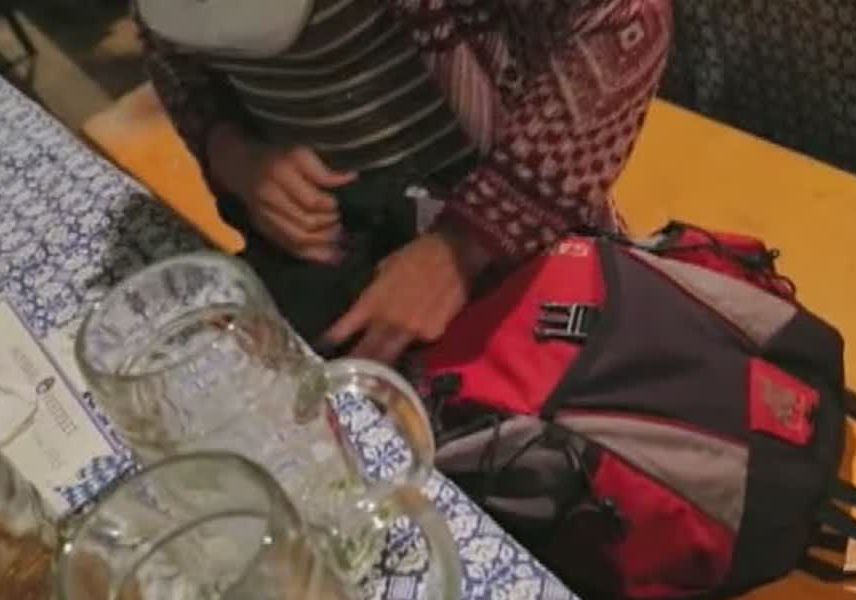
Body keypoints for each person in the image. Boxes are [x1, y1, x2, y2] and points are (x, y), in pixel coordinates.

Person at [134, 0, 672, 363]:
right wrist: (233, 153)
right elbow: (168, 46)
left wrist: (463, 245)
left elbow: (626, 18)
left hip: (509, 256)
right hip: (329, 265)